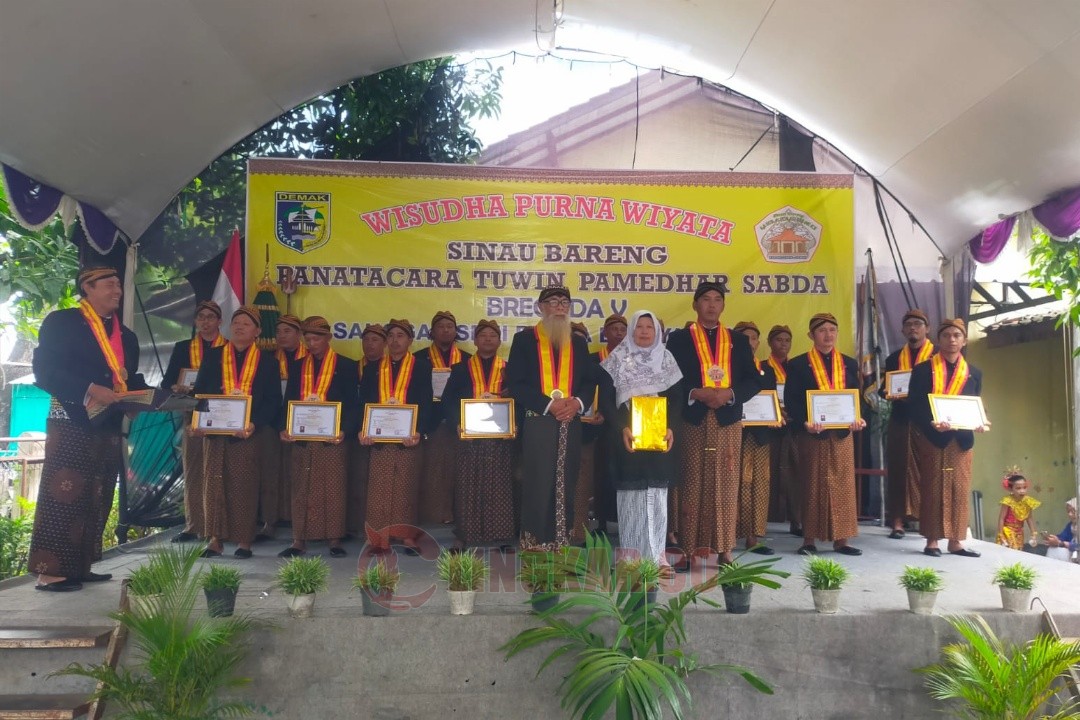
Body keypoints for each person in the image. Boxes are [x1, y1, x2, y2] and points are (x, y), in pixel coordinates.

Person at [29, 266, 150, 592]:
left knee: (97, 495)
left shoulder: (126, 336)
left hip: (108, 422)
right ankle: (50, 571)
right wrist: (88, 388)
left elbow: (130, 379)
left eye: (118, 285)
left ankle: (80, 566)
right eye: (109, 284)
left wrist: (142, 399)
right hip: (70, 417)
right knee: (64, 492)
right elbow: (44, 371)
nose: (117, 290)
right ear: (88, 287)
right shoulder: (63, 322)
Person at [665, 281, 759, 565]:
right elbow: (670, 379)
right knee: (690, 481)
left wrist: (729, 394)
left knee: (726, 483)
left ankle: (725, 549)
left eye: (717, 299)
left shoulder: (737, 340)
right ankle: (688, 550)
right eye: (705, 299)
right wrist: (695, 392)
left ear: (723, 305)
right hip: (691, 419)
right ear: (695, 304)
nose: (711, 305)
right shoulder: (679, 339)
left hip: (727, 420)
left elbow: (753, 379)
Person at [506, 286, 597, 551]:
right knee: (538, 481)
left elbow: (589, 381)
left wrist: (577, 403)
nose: (559, 307)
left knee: (567, 482)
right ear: (541, 307)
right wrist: (549, 405)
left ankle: (561, 542)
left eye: (565, 302)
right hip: (539, 420)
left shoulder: (578, 342)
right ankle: (535, 544)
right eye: (553, 302)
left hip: (571, 421)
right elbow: (517, 383)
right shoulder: (524, 340)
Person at [193, 306, 282, 559]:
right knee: (214, 483)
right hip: (215, 433)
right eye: (236, 322)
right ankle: (214, 539)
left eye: (246, 323)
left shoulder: (268, 362)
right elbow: (200, 393)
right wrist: (199, 421)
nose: (240, 326)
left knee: (244, 485)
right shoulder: (213, 357)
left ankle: (244, 540)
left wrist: (254, 423)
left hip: (247, 433)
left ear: (257, 331)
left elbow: (273, 401)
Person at [600, 310, 682, 571]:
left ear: (657, 332)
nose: (645, 331)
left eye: (650, 326)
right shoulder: (618, 360)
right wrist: (620, 428)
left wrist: (671, 427)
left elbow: (677, 400)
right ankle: (630, 557)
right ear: (631, 331)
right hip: (628, 437)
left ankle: (657, 556)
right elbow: (606, 401)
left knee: (658, 496)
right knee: (630, 497)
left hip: (660, 439)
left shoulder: (667, 359)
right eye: (640, 327)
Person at [784, 312, 866, 556]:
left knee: (843, 484)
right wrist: (804, 422)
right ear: (811, 335)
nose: (828, 335)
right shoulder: (798, 364)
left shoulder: (849, 363)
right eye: (822, 330)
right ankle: (808, 539)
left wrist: (857, 417)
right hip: (813, 434)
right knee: (812, 483)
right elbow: (792, 400)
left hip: (841, 434)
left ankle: (842, 539)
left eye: (832, 329)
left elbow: (856, 397)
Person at [278, 316, 359, 558]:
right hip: (302, 436)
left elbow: (354, 404)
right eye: (308, 339)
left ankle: (334, 538)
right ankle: (298, 539)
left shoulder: (346, 365)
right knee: (301, 487)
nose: (312, 343)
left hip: (333, 437)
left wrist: (346, 429)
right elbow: (289, 400)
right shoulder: (298, 366)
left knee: (333, 486)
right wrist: (284, 426)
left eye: (316, 338)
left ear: (328, 338)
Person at [908, 318, 988, 558]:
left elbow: (976, 404)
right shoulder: (924, 370)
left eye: (956, 335)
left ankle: (956, 541)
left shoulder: (974, 373)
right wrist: (931, 423)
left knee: (960, 488)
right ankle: (932, 541)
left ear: (963, 340)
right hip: (934, 437)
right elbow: (915, 405)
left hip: (962, 440)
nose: (952, 340)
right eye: (946, 336)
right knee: (933, 487)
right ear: (938, 339)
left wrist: (980, 422)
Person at [358, 318, 432, 554]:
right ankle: (378, 538)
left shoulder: (421, 367)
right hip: (379, 438)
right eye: (390, 336)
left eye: (400, 336)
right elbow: (365, 403)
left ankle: (408, 538)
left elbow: (426, 402)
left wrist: (419, 430)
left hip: (408, 438)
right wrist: (363, 429)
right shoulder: (374, 368)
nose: (395, 340)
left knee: (406, 488)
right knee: (378, 490)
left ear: (410, 340)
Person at [441, 320, 516, 551]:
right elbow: (447, 400)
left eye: (493, 335)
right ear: (475, 340)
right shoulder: (461, 368)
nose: (487, 339)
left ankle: (501, 536)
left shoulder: (509, 369)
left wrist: (515, 424)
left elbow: (519, 401)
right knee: (467, 485)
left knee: (500, 485)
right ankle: (464, 536)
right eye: (482, 335)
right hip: (469, 437)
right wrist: (456, 422)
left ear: (499, 341)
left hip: (499, 438)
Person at [161, 299, 225, 544]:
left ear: (220, 321)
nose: (206, 322)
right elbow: (166, 383)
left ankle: (219, 525)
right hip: (192, 412)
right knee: (194, 467)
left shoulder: (229, 348)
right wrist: (176, 387)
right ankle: (194, 524)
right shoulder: (183, 347)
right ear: (196, 321)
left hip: (222, 413)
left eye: (211, 317)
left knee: (219, 470)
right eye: (201, 317)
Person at [881, 309, 934, 539]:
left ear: (927, 328)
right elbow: (886, 389)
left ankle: (928, 522)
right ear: (902, 330)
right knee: (898, 468)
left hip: (928, 421)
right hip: (901, 419)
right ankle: (898, 522)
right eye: (909, 325)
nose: (913, 328)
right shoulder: (893, 358)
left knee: (929, 470)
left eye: (918, 324)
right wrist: (887, 392)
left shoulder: (938, 356)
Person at [255, 314, 309, 540]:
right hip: (270, 422)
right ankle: (270, 520)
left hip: (300, 424)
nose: (281, 336)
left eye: (288, 331)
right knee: (271, 471)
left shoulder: (311, 359)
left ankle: (300, 521)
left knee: (298, 472)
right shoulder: (265, 359)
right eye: (278, 332)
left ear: (299, 335)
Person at [417, 310, 471, 526]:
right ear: (431, 332)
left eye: (450, 326)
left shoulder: (468, 360)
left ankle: (454, 514)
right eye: (441, 326)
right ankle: (432, 516)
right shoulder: (419, 358)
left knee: (456, 470)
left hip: (457, 420)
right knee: (432, 470)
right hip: (430, 421)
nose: (446, 330)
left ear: (456, 331)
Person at [733, 321, 776, 555]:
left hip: (759, 435)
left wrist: (776, 416)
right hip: (732, 433)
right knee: (731, 485)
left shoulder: (766, 370)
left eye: (753, 338)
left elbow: (771, 401)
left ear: (758, 343)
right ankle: (725, 537)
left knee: (759, 485)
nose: (749, 343)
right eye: (744, 338)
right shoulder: (728, 368)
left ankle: (753, 538)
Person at [346, 323, 388, 538]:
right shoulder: (351, 367)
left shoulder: (391, 368)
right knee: (358, 478)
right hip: (357, 432)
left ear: (385, 344)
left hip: (385, 434)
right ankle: (355, 525)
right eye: (365, 340)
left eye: (375, 340)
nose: (369, 344)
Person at [765, 324, 801, 536]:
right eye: (779, 340)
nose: (783, 344)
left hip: (793, 425)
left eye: (787, 340)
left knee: (794, 473)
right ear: (770, 343)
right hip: (769, 426)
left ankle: (796, 520)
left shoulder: (796, 366)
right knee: (768, 472)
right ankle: (765, 520)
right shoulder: (762, 367)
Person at [591, 314, 626, 535]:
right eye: (614, 329)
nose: (619, 333)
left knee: (623, 473)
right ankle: (601, 522)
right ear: (605, 332)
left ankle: (624, 521)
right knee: (602, 473)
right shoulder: (594, 358)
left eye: (623, 329)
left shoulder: (633, 359)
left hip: (625, 424)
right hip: (600, 425)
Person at [570, 321, 601, 544]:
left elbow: (605, 392)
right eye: (573, 337)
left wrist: (604, 414)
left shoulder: (593, 365)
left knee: (581, 487)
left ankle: (579, 534)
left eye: (581, 338)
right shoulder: (549, 365)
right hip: (553, 433)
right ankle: (554, 535)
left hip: (586, 435)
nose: (577, 341)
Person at [995, 472, 1040, 550]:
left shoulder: (1028, 501)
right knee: (1010, 552)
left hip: (1019, 532)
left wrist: (1034, 533)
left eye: (1024, 487)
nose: (1022, 491)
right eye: (1018, 488)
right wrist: (1001, 535)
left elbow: (1029, 518)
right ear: (1011, 489)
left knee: (1018, 552)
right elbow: (1001, 518)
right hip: (1007, 531)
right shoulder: (1007, 501)